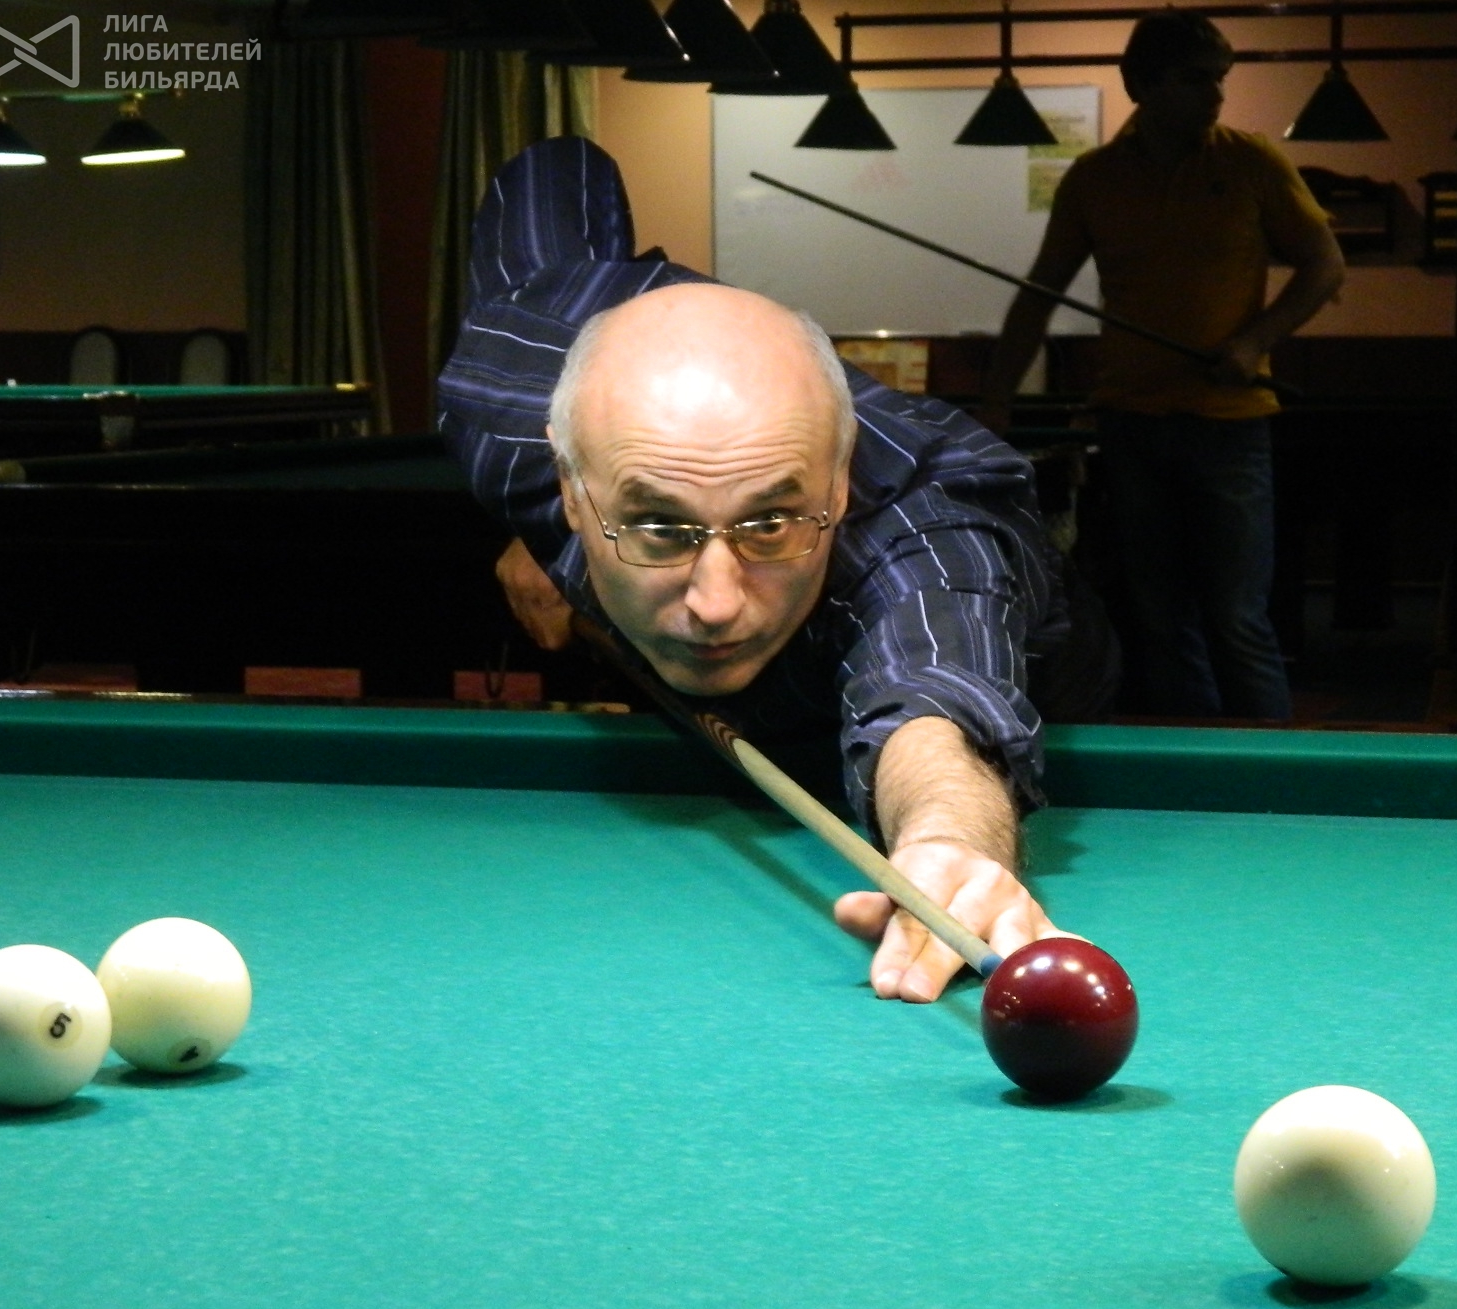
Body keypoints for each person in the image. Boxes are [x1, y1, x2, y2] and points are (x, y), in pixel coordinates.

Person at [441, 138, 1112, 1005]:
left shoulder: (920, 529)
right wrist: (542, 539)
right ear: (570, 487)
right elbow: (554, 175)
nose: (717, 605)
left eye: (769, 525)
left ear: (837, 486)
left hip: (1049, 671)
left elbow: (935, 685)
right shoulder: (500, 400)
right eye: (657, 526)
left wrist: (948, 840)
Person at [981, 7, 1346, 720]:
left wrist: (1253, 342)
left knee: (1238, 616)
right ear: (1140, 84)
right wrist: (996, 400)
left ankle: (1275, 768)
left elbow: (1325, 266)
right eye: (1196, 79)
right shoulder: (1094, 179)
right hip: (1132, 426)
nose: (1216, 95)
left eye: (1220, 79)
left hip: (1230, 424)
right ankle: (1198, 764)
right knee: (1159, 618)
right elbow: (1039, 294)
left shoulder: (1251, 162)